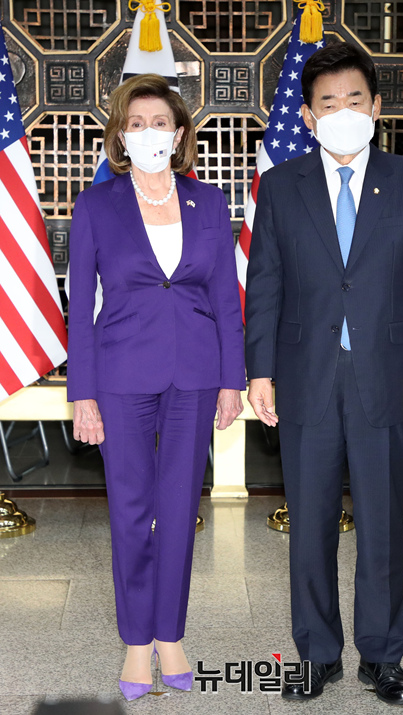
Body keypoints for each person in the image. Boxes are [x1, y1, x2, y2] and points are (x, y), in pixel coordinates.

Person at [245, 43, 403, 706]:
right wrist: (259, 370)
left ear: (377, 106)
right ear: (307, 116)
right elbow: (265, 283)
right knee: (309, 523)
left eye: (354, 99)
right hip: (304, 374)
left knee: (383, 524)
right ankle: (317, 656)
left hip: (385, 374)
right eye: (327, 103)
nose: (342, 112)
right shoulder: (281, 185)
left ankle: (383, 658)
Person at [67, 73, 246, 702]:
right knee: (130, 512)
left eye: (160, 123)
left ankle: (170, 635)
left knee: (177, 511)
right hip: (120, 378)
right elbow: (79, 306)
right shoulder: (96, 206)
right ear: (120, 135)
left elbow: (226, 299)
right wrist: (82, 393)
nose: (149, 133)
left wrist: (232, 380)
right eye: (136, 123)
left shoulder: (210, 202)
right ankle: (136, 643)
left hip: (195, 375)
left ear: (180, 133)